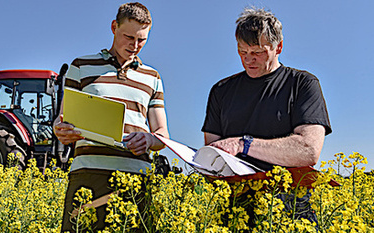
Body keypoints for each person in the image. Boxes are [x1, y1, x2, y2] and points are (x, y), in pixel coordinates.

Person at [201, 7, 331, 226]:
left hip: (289, 213)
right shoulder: (221, 90)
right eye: (242, 52)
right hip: (234, 212)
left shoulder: (303, 84)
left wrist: (244, 144)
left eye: (258, 53)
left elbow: (308, 150)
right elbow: (213, 154)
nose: (248, 60)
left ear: (278, 47)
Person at [53, 2, 169, 231]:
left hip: (136, 178)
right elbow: (62, 117)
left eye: (142, 40)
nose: (135, 46)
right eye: (129, 37)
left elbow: (162, 134)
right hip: (88, 174)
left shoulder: (153, 77)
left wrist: (149, 140)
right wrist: (60, 129)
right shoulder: (81, 66)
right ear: (114, 27)